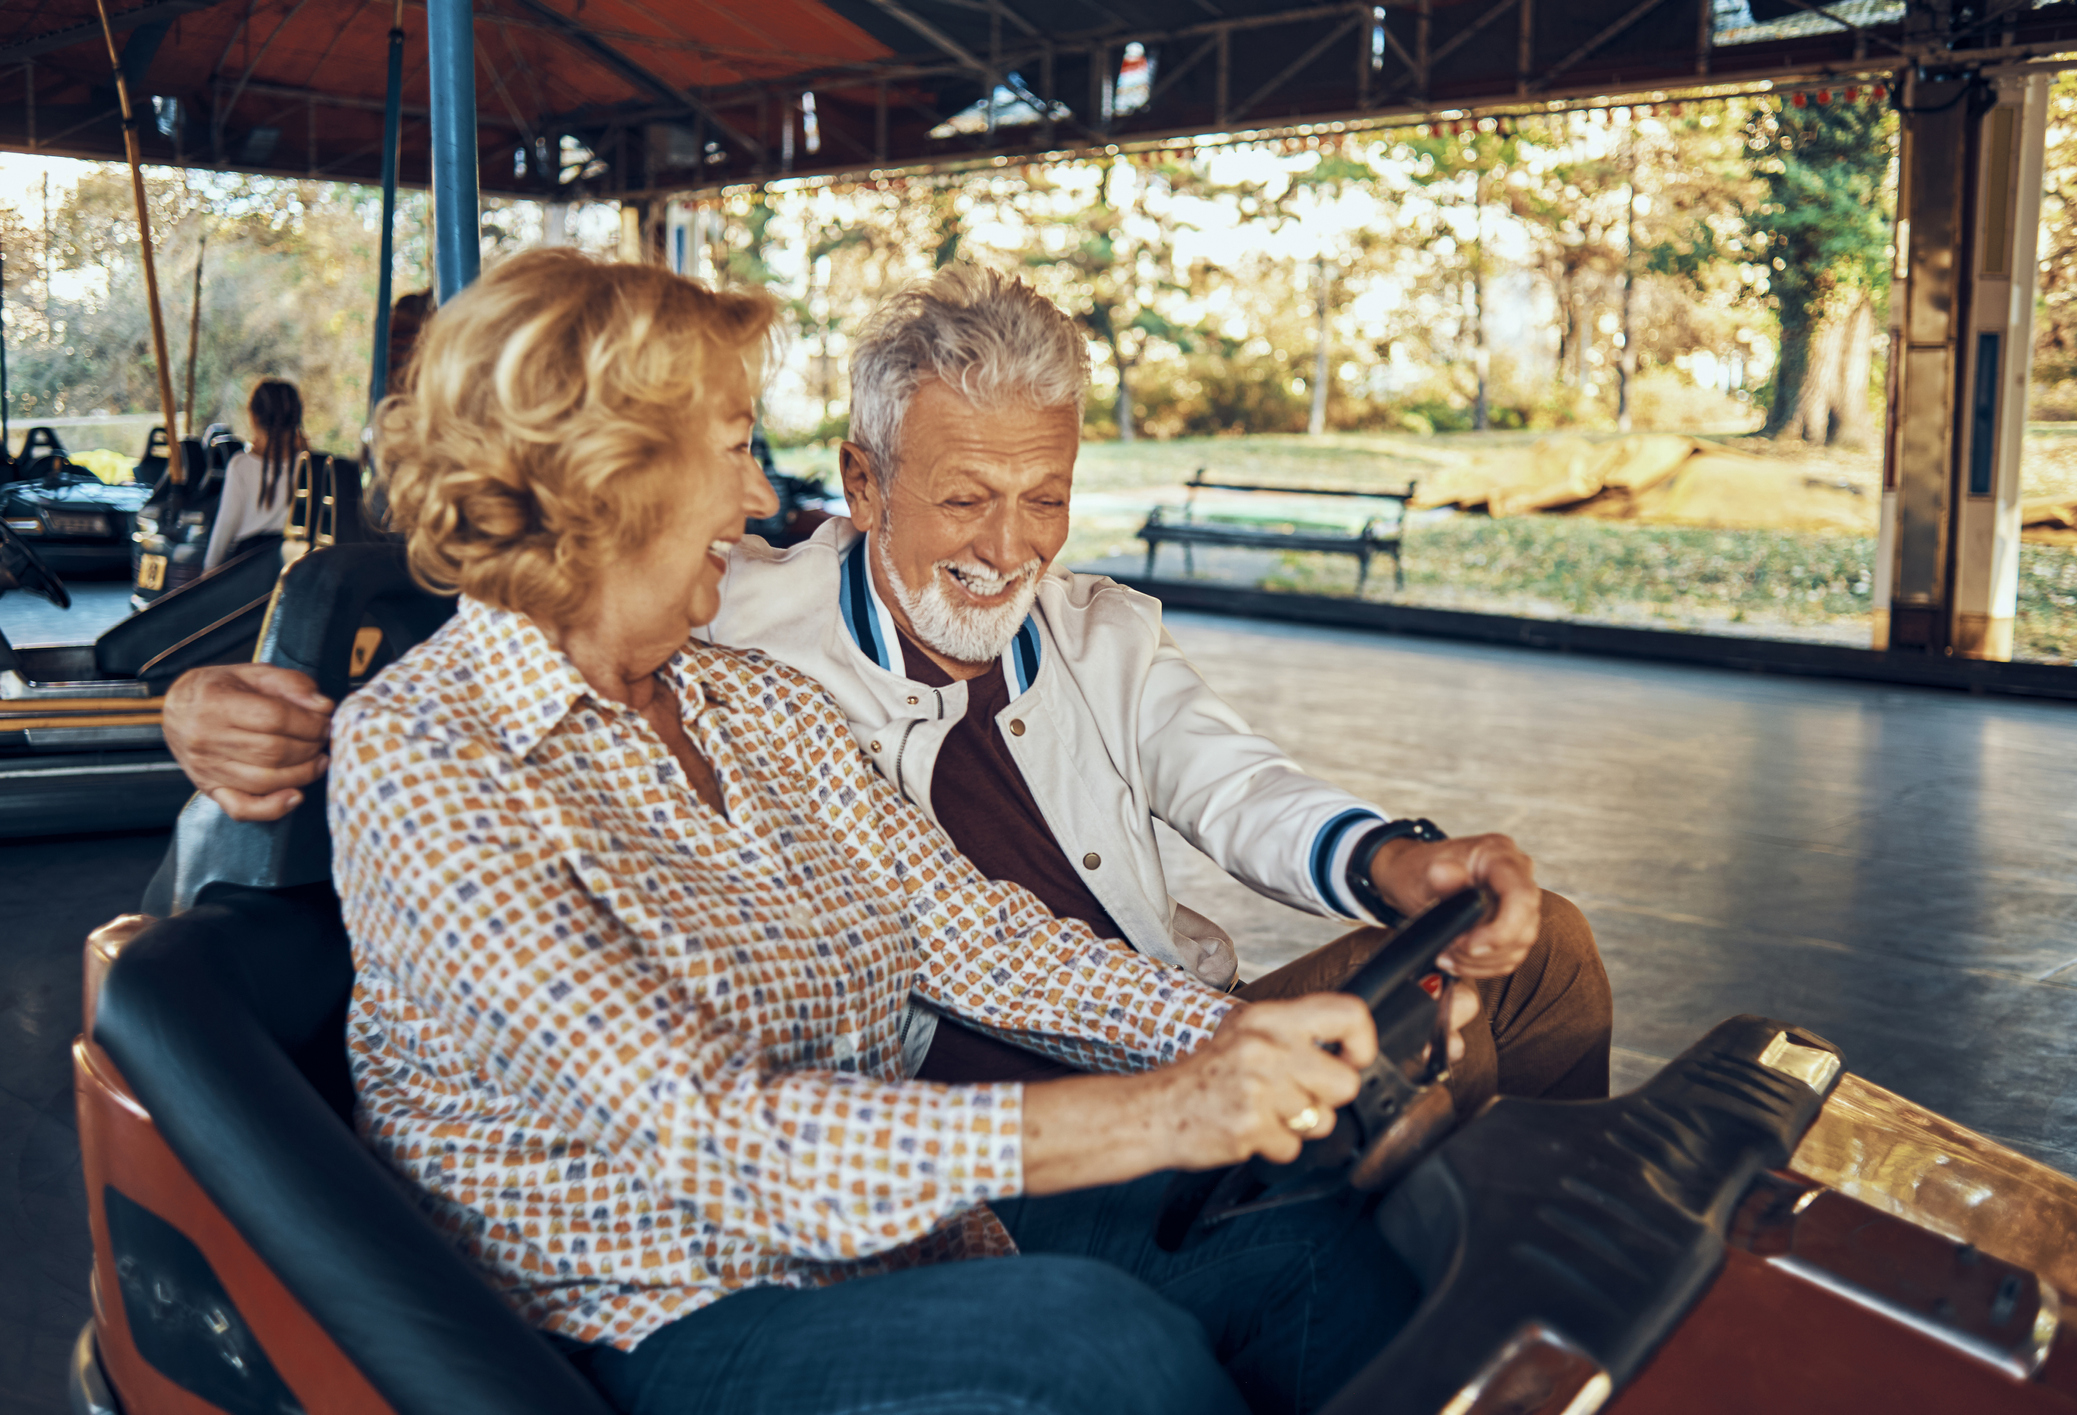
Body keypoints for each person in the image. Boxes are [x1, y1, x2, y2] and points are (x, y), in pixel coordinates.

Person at [338, 247, 1469, 1414]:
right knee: (1092, 1350)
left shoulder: (755, 706)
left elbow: (982, 939)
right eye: (731, 449)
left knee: (1313, 1247)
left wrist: (1247, 1040)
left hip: (888, 1247)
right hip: (648, 1313)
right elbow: (718, 1130)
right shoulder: (427, 759)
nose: (758, 499)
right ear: (606, 474)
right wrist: (1166, 1111)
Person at [159, 264, 1606, 1115]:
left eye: (1045, 496)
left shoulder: (1080, 633)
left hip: (1138, 1016)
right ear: (862, 482)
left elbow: (1226, 786)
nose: (1012, 547)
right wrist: (209, 717)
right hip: (941, 1104)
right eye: (966, 497)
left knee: (1540, 953)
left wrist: (1390, 862)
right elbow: (527, 623)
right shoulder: (730, 628)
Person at [202, 376, 305, 569]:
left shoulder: (241, 465)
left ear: (254, 417)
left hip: (249, 567)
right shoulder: (309, 464)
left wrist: (209, 568)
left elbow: (226, 525)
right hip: (297, 565)